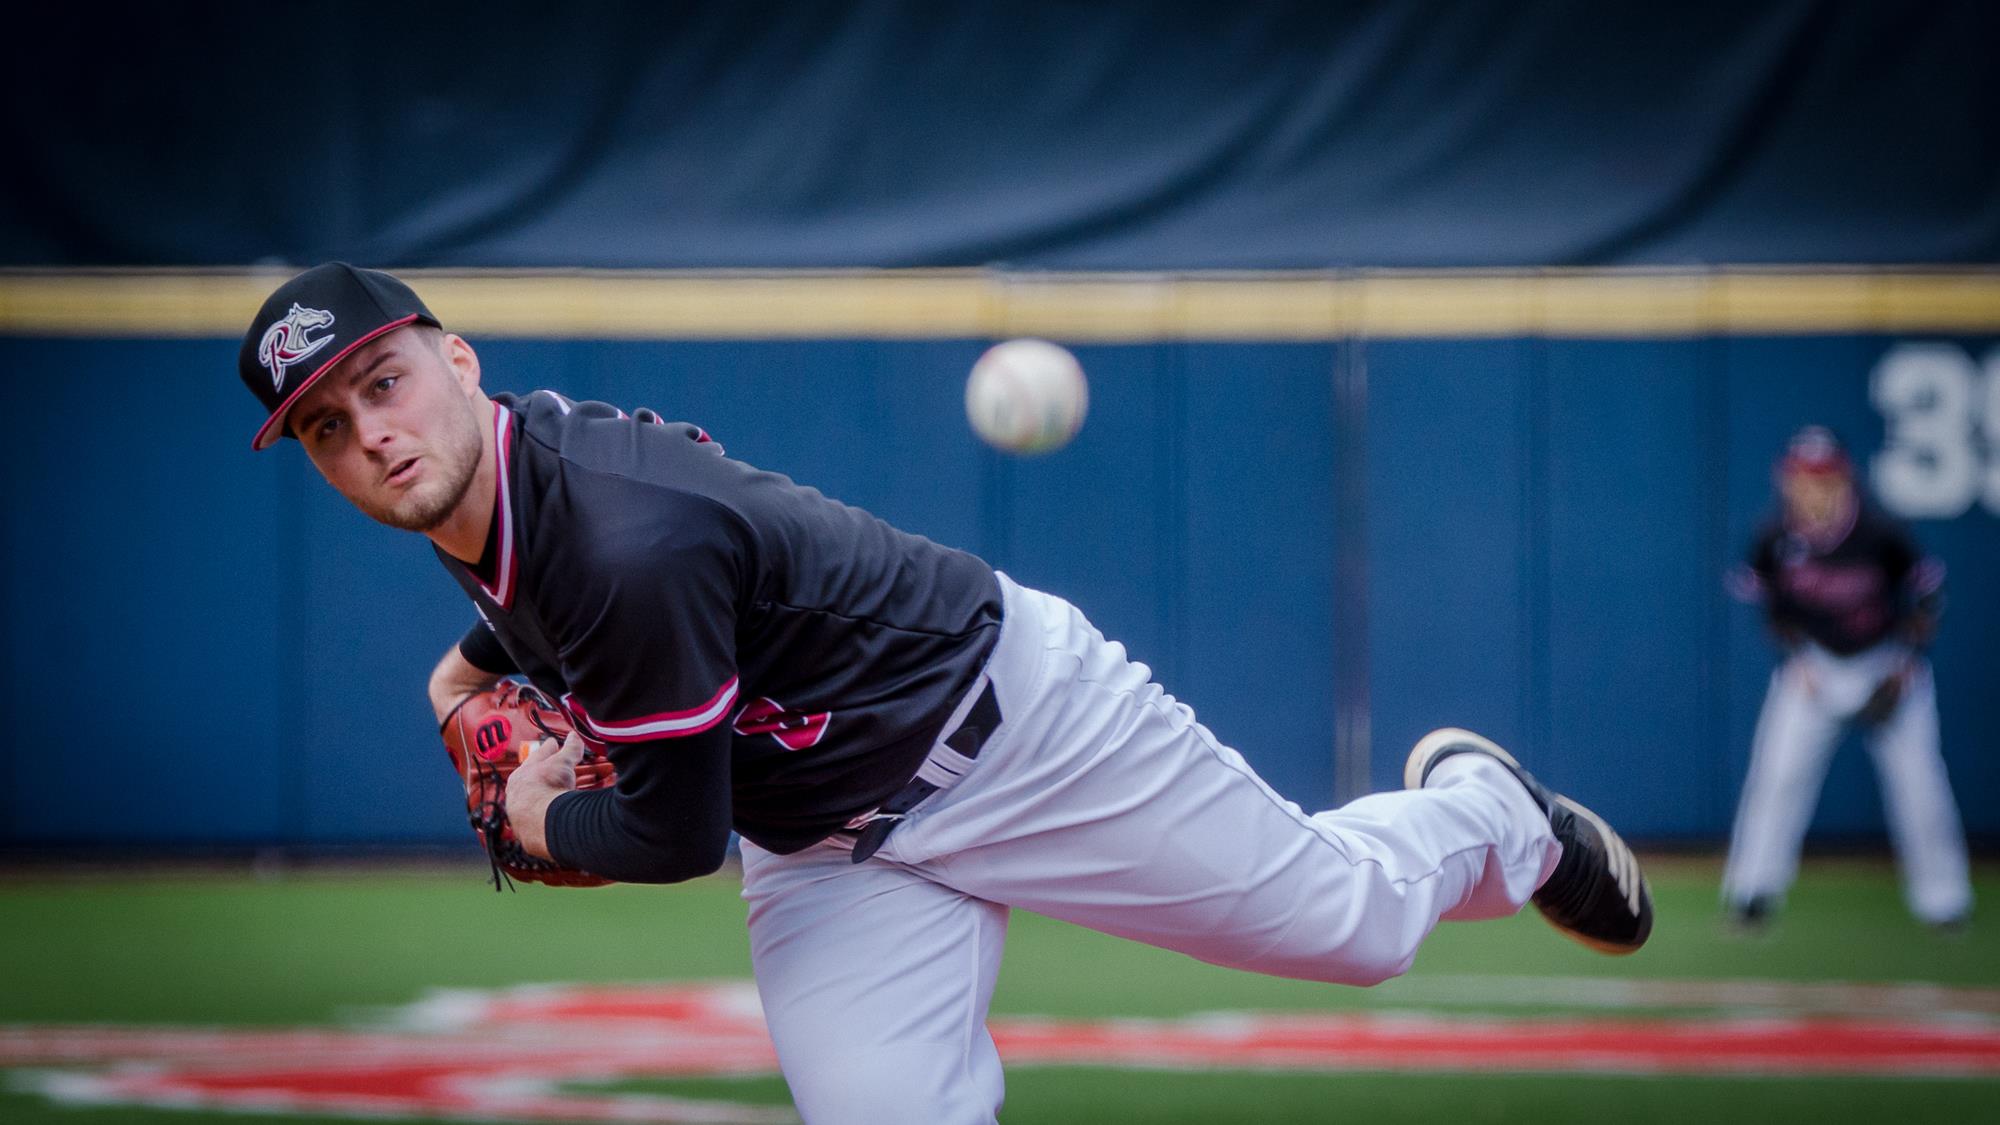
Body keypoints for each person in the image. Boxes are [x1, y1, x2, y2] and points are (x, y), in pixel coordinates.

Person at [240, 262, 1652, 1124]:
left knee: (1347, 927)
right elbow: (539, 607)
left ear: (457, 357)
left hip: (1017, 730)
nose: (372, 433)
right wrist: (464, 669)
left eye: (385, 380)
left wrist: (532, 819)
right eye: (327, 425)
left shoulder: (615, 535)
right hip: (834, 842)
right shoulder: (484, 487)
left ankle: (1489, 812)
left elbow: (668, 836)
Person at [1722, 425, 1972, 932]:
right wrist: (1798, 659)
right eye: (1804, 478)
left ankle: (1944, 903)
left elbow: (1927, 598)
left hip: (1888, 667)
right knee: (1777, 777)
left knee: (1921, 788)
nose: (1813, 488)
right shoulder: (1774, 537)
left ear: (1845, 480)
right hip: (1815, 667)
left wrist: (1905, 662)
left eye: (1824, 478)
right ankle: (1753, 894)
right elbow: (1769, 607)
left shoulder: (1881, 531)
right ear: (1786, 481)